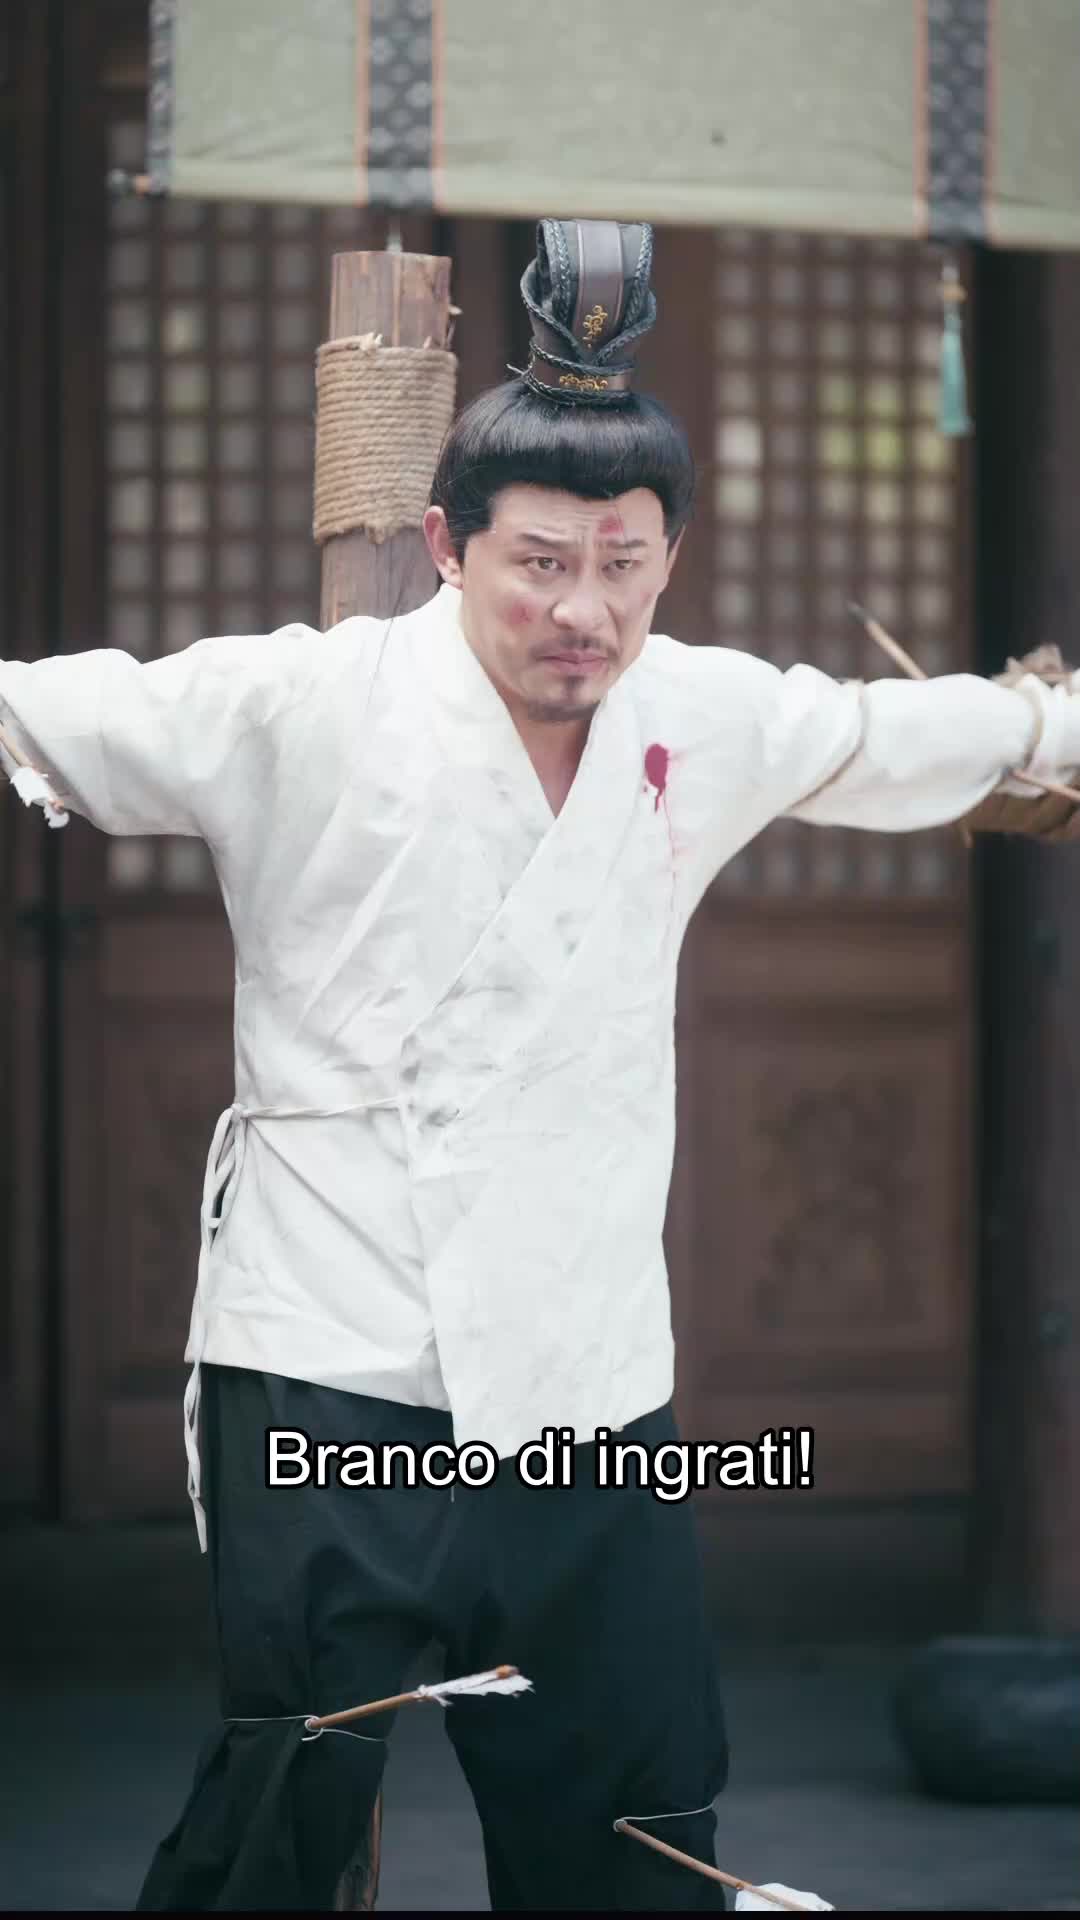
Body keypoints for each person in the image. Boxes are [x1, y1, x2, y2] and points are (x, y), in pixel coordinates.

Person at [3, 217, 1080, 1913]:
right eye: (542, 562)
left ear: (669, 559)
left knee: (632, 1820)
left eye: (626, 563)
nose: (586, 610)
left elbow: (894, 736)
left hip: (585, 1367)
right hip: (332, 1344)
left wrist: (1051, 727)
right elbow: (42, 712)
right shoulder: (301, 702)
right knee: (290, 1792)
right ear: (447, 545)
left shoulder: (698, 713)